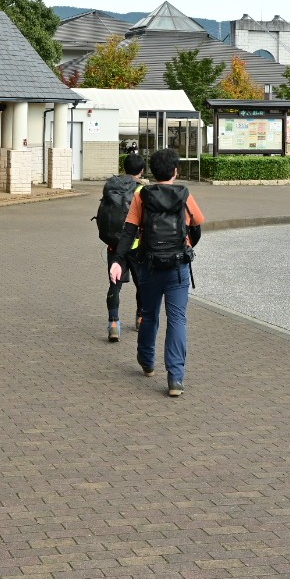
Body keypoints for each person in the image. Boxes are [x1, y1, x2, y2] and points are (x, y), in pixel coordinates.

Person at [116, 148, 204, 397]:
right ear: (175, 171)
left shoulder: (141, 196)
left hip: (150, 266)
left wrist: (119, 260)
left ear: (152, 172)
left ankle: (147, 361)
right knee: (177, 320)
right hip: (178, 268)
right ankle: (175, 378)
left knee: (149, 314)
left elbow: (130, 230)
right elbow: (197, 225)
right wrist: (186, 246)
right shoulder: (185, 195)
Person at [98, 153, 145, 343]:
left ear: (125, 168)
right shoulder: (141, 190)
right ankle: (140, 317)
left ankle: (114, 323)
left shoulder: (112, 187)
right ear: (141, 170)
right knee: (141, 283)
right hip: (136, 245)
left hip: (114, 245)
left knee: (114, 284)